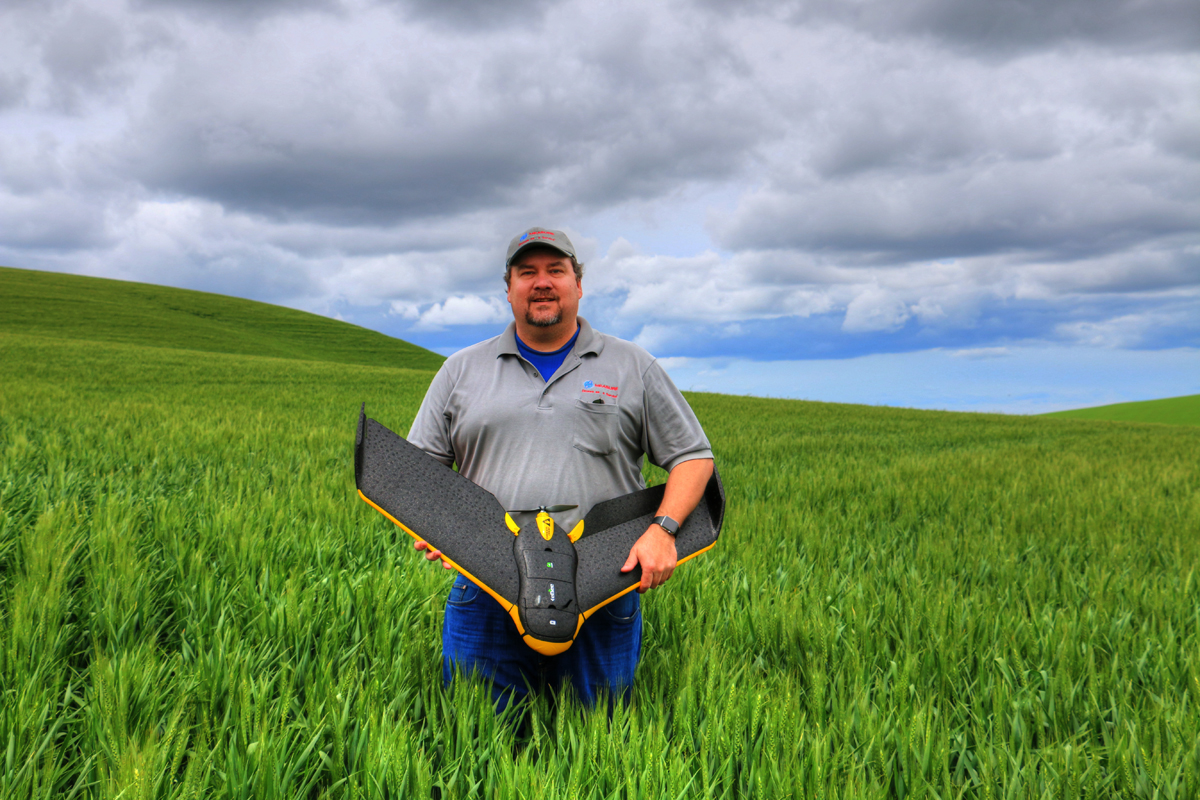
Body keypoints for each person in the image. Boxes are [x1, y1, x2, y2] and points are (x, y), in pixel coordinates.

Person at [406, 226, 714, 710]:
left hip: (602, 577)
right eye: (527, 272)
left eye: (556, 270)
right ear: (508, 289)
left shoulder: (632, 366)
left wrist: (664, 530)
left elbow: (693, 457)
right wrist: (435, 524)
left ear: (578, 284)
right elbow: (418, 467)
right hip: (488, 576)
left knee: (596, 739)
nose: (542, 282)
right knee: (478, 735)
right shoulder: (462, 370)